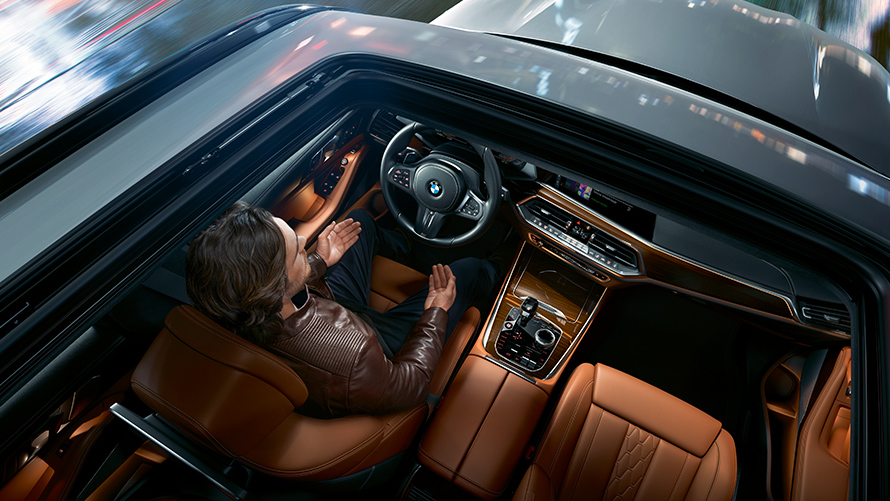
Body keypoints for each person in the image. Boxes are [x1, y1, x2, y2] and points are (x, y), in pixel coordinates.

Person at [185, 201, 498, 418]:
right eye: (297, 251)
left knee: (359, 222)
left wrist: (318, 262)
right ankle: (495, 272)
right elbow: (411, 384)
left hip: (330, 310)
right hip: (378, 347)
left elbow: (293, 292)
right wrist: (436, 312)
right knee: (468, 270)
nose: (306, 238)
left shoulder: (226, 302)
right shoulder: (353, 357)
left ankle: (407, 247)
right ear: (273, 290)